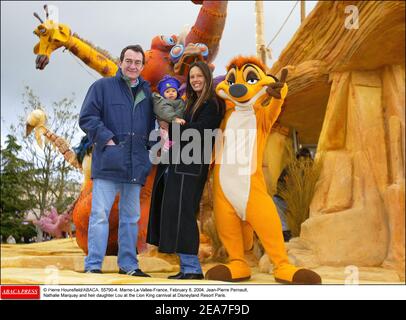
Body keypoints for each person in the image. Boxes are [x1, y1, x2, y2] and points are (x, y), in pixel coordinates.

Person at [79, 45, 155, 276]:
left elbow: (151, 125)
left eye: (137, 62)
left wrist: (151, 146)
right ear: (121, 63)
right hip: (109, 163)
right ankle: (93, 265)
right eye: (128, 61)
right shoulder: (102, 87)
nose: (133, 66)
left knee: (131, 217)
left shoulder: (147, 93)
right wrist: (107, 139)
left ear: (142, 66)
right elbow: (87, 117)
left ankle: (129, 265)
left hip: (135, 165)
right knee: (100, 215)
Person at [147, 61, 225, 280]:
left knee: (185, 213)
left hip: (193, 164)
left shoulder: (212, 103)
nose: (195, 80)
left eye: (199, 76)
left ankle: (192, 267)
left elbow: (204, 130)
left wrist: (175, 126)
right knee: (175, 212)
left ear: (207, 77)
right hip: (179, 162)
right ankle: (186, 266)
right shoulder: (189, 102)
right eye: (192, 77)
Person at [152, 75, 186, 152]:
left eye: (173, 91)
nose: (171, 93)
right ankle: (164, 149)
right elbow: (164, 111)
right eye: (167, 91)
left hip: (176, 127)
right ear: (162, 93)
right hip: (165, 125)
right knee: (165, 134)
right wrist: (174, 118)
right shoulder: (162, 101)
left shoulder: (180, 101)